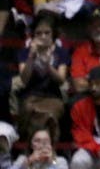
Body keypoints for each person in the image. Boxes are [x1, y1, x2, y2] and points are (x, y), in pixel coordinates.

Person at [15, 12, 69, 141]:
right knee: (29, 110)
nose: (43, 36)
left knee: (49, 115)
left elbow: (61, 80)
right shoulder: (25, 53)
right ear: (33, 35)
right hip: (31, 97)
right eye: (38, 33)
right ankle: (33, 150)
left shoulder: (61, 53)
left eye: (47, 33)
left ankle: (49, 150)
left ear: (53, 34)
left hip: (53, 97)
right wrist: (31, 57)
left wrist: (47, 65)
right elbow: (24, 79)